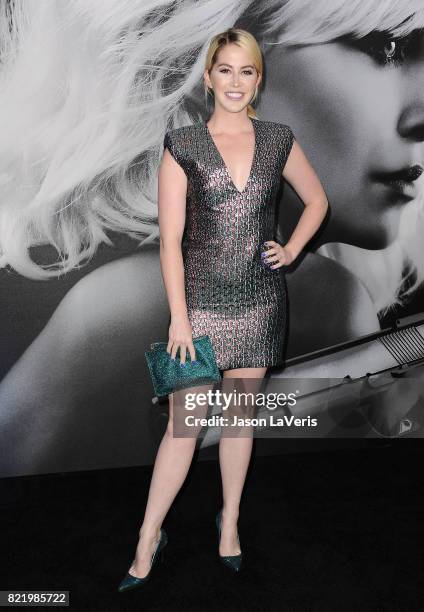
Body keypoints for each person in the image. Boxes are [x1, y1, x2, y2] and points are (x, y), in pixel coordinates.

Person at [118, 28, 328, 592]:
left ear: (259, 79)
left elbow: (318, 200)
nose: (236, 82)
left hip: (260, 303)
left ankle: (229, 520)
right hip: (199, 310)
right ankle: (147, 535)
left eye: (248, 71)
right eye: (226, 70)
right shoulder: (182, 144)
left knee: (238, 420)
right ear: (208, 77)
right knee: (183, 429)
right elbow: (170, 242)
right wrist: (179, 316)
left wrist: (293, 247)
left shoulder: (279, 138)